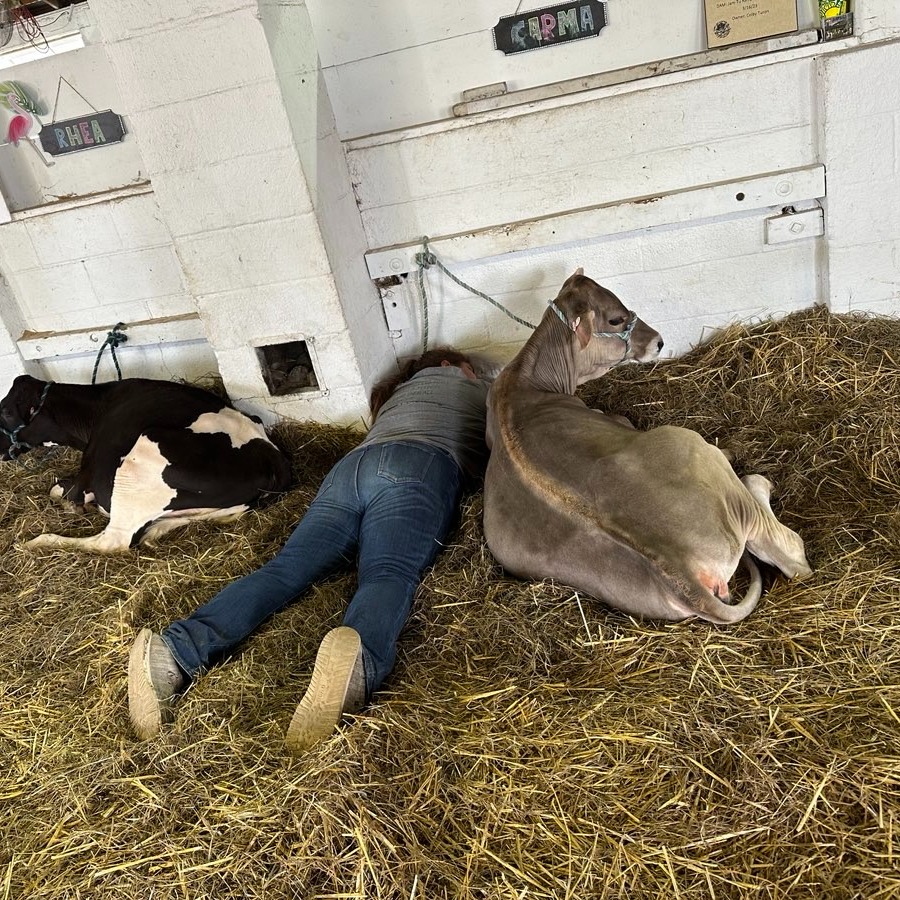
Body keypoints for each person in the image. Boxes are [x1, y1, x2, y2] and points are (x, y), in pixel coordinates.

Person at [128, 347, 491, 751]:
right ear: (448, 366)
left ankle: (175, 651)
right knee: (388, 571)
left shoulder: (398, 397)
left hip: (351, 468)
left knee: (286, 568)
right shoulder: (480, 391)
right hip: (420, 464)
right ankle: (357, 661)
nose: (475, 374)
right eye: (471, 369)